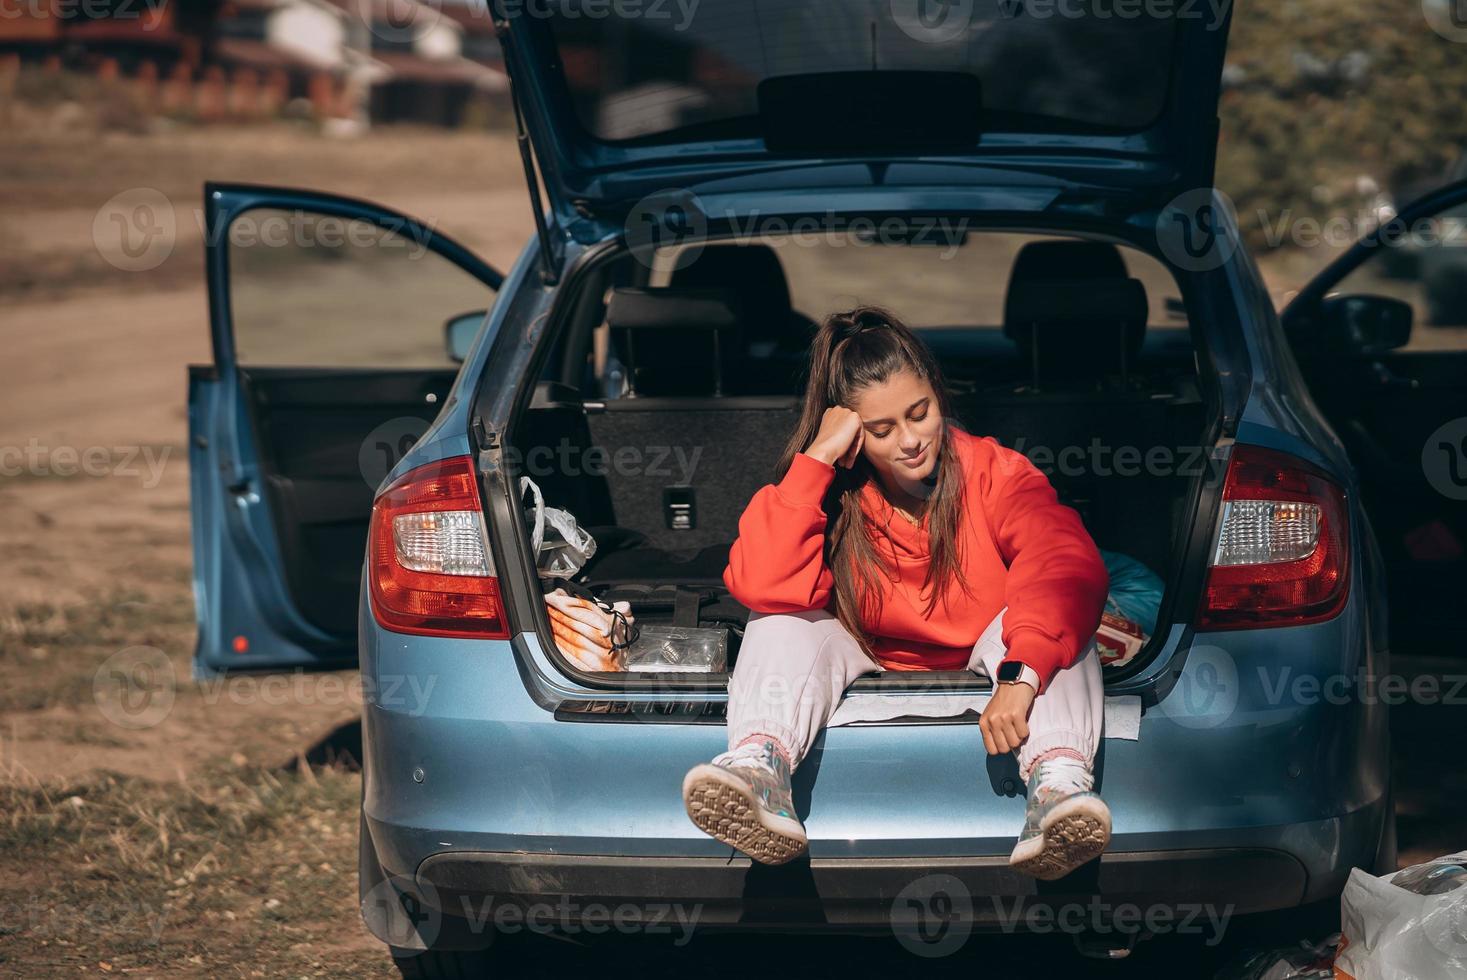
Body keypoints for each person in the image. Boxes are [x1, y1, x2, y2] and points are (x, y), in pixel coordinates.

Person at [680, 306, 1112, 880]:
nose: (910, 442)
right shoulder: (830, 486)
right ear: (852, 430)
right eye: (882, 430)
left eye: (920, 414)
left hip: (987, 650)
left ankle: (1056, 790)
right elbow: (760, 582)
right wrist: (816, 460)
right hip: (865, 651)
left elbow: (1062, 559)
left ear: (938, 393)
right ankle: (760, 771)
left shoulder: (994, 471)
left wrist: (1020, 675)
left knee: (1056, 623)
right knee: (776, 617)